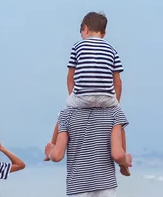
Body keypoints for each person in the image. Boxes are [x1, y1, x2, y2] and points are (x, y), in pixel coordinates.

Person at [44, 11, 132, 176]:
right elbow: (118, 81)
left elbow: (70, 77)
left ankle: (52, 146)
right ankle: (123, 162)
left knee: (63, 114)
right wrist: (116, 104)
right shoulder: (112, 49)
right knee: (118, 120)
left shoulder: (77, 47)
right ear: (103, 33)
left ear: (84, 29)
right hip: (107, 98)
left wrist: (73, 96)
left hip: (82, 97)